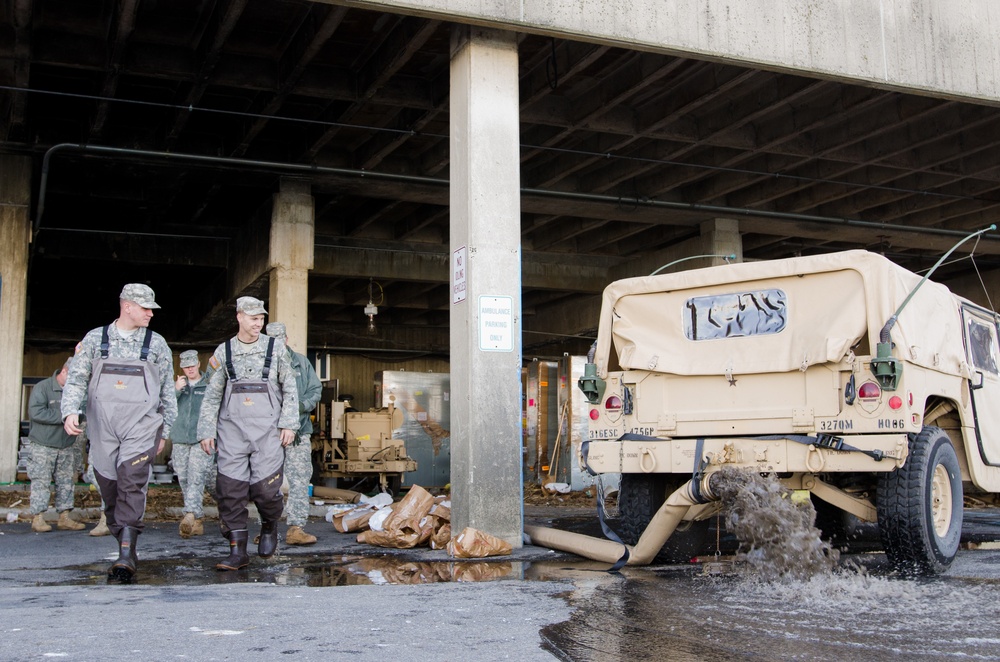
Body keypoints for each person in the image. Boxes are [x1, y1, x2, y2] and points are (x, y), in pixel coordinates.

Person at [62, 283, 177, 582]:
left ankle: (126, 554)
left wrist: (166, 428)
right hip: (103, 426)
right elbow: (76, 379)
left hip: (141, 424)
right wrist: (70, 411)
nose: (151, 313)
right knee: (109, 487)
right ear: (127, 306)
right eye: (145, 308)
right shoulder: (95, 339)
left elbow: (167, 391)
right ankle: (125, 541)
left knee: (131, 478)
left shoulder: (157, 344)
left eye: (152, 309)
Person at [198, 297, 298, 571]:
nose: (258, 323)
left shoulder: (275, 348)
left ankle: (268, 526)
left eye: (261, 318)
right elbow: (211, 395)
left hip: (267, 432)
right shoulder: (223, 351)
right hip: (231, 431)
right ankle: (237, 551)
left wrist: (289, 423)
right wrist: (206, 429)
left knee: (265, 490)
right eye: (253, 318)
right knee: (230, 491)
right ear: (239, 317)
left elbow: (290, 387)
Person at [265, 322, 322, 546]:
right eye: (271, 341)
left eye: (279, 339)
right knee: (266, 482)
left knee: (299, 479)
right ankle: (267, 529)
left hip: (298, 432)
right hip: (268, 434)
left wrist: (300, 407)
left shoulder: (300, 362)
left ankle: (296, 528)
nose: (275, 344)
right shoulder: (262, 363)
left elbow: (315, 389)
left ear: (286, 339)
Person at [26, 359, 87, 533]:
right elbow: (36, 412)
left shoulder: (75, 392)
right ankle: (38, 518)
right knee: (41, 481)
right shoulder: (43, 387)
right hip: (43, 446)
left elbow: (81, 414)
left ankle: (64, 517)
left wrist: (76, 417)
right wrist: (66, 416)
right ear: (65, 371)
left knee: (66, 482)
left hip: (65, 445)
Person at [171, 350, 215, 538]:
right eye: (186, 367)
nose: (189, 369)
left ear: (198, 363)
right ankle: (197, 520)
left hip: (202, 438)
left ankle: (189, 515)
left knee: (197, 477)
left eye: (192, 365)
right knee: (184, 479)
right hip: (180, 438)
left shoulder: (209, 384)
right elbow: (165, 407)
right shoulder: (178, 386)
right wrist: (176, 390)